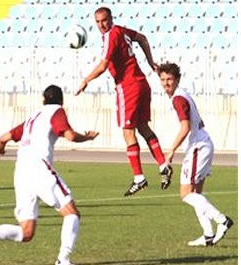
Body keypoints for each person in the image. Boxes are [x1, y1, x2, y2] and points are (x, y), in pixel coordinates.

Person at [0, 85, 99, 265]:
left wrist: (0, 150)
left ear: (43, 100)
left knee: (26, 232)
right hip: (39, 168)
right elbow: (70, 136)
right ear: (60, 100)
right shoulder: (57, 111)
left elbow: (4, 137)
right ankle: (63, 260)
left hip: (21, 173)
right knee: (72, 214)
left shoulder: (32, 118)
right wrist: (87, 137)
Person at [74, 6, 172, 196]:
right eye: (98, 21)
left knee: (128, 132)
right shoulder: (122, 31)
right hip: (142, 83)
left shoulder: (112, 35)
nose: (102, 25)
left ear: (111, 19)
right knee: (143, 128)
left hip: (128, 87)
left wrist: (86, 80)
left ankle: (139, 178)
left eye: (104, 20)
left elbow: (103, 65)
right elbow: (142, 38)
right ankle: (163, 165)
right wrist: (151, 62)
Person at [157, 62, 233, 246]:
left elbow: (185, 126)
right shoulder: (180, 94)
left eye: (169, 79)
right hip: (203, 143)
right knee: (197, 192)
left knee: (186, 194)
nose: (166, 83)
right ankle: (208, 235)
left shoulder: (178, 99)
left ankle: (222, 220)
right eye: (163, 79)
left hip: (198, 146)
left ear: (177, 80)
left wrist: (171, 151)